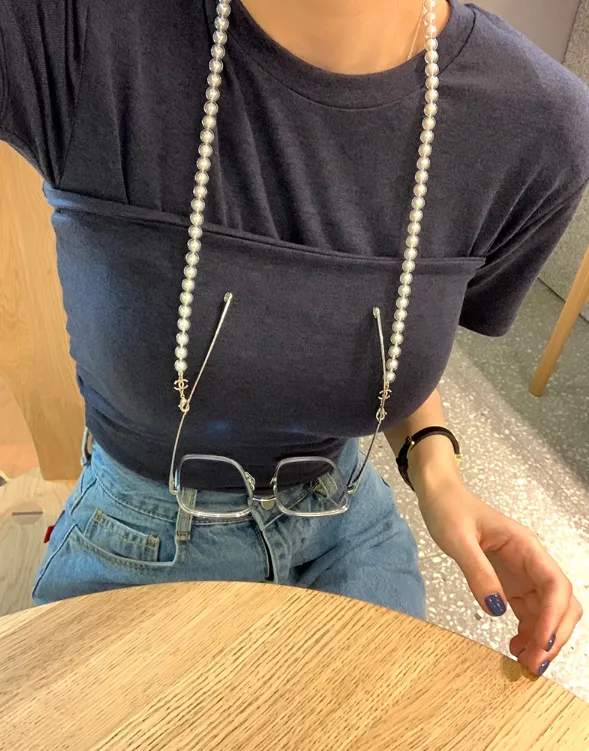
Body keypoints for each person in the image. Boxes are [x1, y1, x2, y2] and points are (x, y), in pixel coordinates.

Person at [1, 0, 586, 678]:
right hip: (138, 536)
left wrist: (436, 472)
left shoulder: (531, 123)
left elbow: (373, 338)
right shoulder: (76, 30)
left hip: (346, 527)